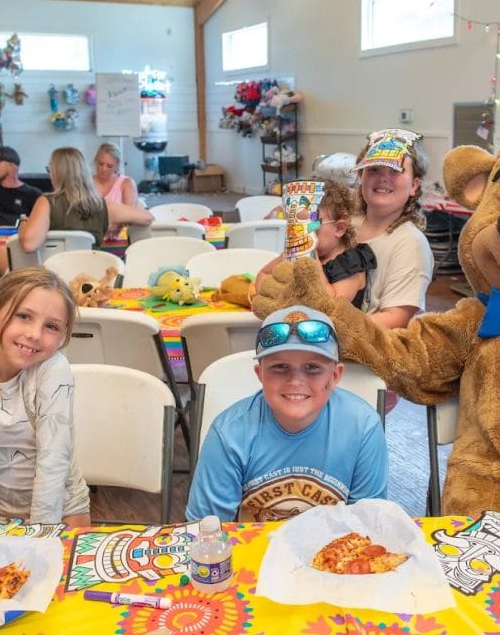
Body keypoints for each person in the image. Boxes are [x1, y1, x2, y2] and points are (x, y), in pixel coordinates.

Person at [185, 305, 388, 523]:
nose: (295, 381)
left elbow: (369, 524)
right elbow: (205, 531)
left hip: (336, 553)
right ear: (260, 374)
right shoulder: (229, 434)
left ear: (335, 376)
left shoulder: (363, 427)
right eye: (280, 366)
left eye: (312, 367)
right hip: (251, 553)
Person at [0, 267, 91, 526]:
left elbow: (53, 464)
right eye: (23, 316)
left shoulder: (53, 369)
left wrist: (40, 540)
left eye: (51, 326)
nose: (34, 334)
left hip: (61, 510)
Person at [0, 147, 152, 273]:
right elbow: (147, 217)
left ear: (57, 173)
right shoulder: (104, 205)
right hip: (91, 278)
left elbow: (29, 244)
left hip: (52, 279)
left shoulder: (46, 202)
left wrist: (24, 223)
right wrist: (122, 221)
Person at [350, 128, 435, 329]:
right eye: (374, 169)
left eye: (395, 170)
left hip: (372, 354)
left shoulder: (409, 243)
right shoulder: (344, 225)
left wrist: (328, 332)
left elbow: (395, 318)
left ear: (414, 185)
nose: (383, 178)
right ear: (361, 176)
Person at [255, 179, 376, 308]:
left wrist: (313, 260)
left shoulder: (350, 264)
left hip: (332, 326)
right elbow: (264, 273)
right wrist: (273, 297)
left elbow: (331, 306)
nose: (301, 234)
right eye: (295, 226)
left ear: (339, 228)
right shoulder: (294, 253)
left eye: (311, 228)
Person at [92, 142, 140, 240]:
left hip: (120, 239)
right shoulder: (86, 183)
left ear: (117, 166)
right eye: (100, 164)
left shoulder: (127, 183)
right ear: (96, 160)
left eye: (109, 166)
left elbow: (130, 214)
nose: (104, 169)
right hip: (93, 237)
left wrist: (118, 225)